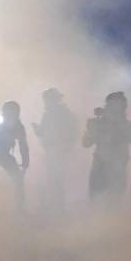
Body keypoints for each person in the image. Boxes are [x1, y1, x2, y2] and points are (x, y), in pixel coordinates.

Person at [82, 92, 131, 203]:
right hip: (100, 168)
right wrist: (91, 129)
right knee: (96, 202)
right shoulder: (98, 123)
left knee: (113, 202)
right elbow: (86, 143)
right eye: (111, 105)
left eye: (119, 105)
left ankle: (110, 219)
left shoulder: (127, 125)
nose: (113, 109)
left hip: (117, 169)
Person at [31, 88, 77, 217]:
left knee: (57, 179)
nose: (46, 102)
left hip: (59, 151)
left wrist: (67, 147)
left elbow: (72, 132)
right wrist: (37, 129)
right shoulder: (49, 114)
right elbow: (42, 132)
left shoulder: (64, 114)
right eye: (45, 100)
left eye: (48, 99)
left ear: (55, 100)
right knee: (52, 179)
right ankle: (54, 208)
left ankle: (58, 209)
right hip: (51, 150)